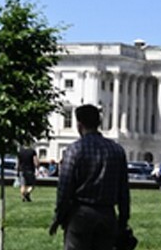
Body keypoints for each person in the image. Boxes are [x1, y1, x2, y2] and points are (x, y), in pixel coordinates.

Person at [50, 104, 130, 250]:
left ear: (79, 125)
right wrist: (123, 220)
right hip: (107, 213)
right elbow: (123, 190)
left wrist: (59, 217)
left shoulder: (75, 150)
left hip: (81, 213)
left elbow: (65, 187)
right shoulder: (117, 150)